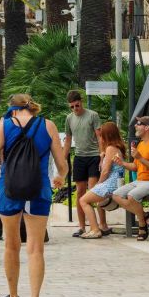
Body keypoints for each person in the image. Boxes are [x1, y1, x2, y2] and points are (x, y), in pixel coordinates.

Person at [0, 93, 67, 297]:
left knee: (11, 245)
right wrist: (60, 177)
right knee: (36, 248)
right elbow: (61, 164)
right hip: (38, 189)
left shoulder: (5, 125)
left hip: (8, 189)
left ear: (12, 108)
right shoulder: (48, 125)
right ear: (32, 107)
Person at [107, 116, 149, 239]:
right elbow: (135, 167)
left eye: (139, 123)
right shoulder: (141, 145)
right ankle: (145, 217)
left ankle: (142, 226)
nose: (135, 125)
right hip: (140, 181)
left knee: (132, 196)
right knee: (116, 195)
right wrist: (122, 163)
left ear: (147, 127)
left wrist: (140, 158)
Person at [63, 89, 101, 238]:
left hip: (93, 156)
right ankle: (81, 226)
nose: (75, 109)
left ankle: (96, 226)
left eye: (77, 105)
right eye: (72, 107)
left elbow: (100, 137)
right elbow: (67, 141)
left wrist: (102, 155)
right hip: (79, 157)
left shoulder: (92, 115)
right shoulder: (69, 118)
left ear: (81, 102)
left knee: (92, 191)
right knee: (80, 192)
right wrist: (62, 160)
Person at [78, 121, 125, 238]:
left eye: (101, 135)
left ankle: (95, 229)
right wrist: (102, 157)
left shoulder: (111, 148)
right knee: (89, 200)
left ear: (107, 135)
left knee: (83, 200)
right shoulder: (116, 148)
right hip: (115, 182)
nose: (100, 137)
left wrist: (98, 184)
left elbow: (105, 171)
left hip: (111, 183)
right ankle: (97, 227)